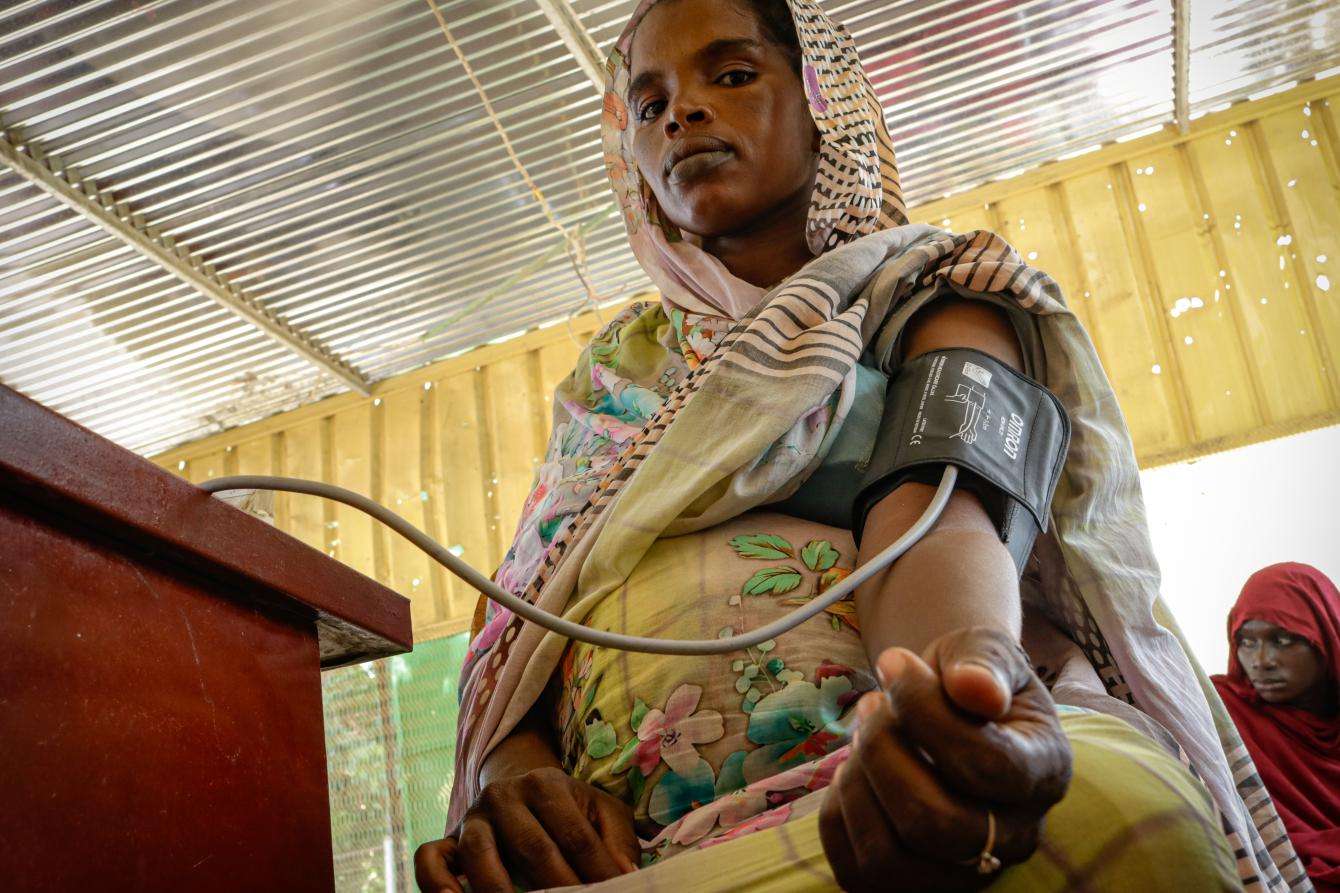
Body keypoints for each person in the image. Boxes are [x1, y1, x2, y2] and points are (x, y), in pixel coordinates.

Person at [415, 1, 1301, 890]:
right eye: (648, 105)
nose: (680, 112)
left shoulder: (939, 289)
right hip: (631, 854)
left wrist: (945, 715)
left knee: (1114, 811)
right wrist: (517, 778)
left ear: (823, 104)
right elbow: (519, 636)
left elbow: (943, 518)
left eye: (730, 75)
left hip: (871, 790)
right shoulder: (610, 376)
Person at [1213, 563, 1340, 892]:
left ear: (1326, 636)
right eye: (1247, 641)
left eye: (1282, 640)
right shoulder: (1221, 712)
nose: (1261, 661)